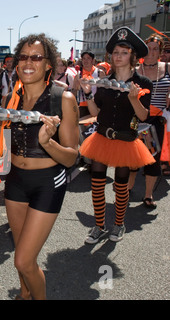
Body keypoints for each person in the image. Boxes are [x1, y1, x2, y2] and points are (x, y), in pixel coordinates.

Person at [0, 34, 80, 300]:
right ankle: (24, 294)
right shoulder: (9, 101)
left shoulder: (63, 99)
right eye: (24, 57)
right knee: (20, 250)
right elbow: (1, 150)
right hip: (16, 181)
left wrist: (47, 143)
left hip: (48, 182)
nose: (29, 62)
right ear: (17, 63)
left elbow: (72, 158)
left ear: (49, 64)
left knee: (23, 262)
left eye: (37, 57)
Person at [79, 27, 156, 244]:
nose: (118, 56)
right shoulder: (104, 81)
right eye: (115, 52)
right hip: (102, 137)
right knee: (96, 183)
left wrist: (133, 98)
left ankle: (119, 224)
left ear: (132, 56)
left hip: (125, 139)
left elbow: (143, 116)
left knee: (121, 185)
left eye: (123, 52)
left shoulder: (143, 83)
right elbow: (95, 113)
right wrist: (87, 93)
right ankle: (99, 225)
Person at [128, 33, 170, 208]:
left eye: (155, 49)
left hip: (157, 121)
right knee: (132, 158)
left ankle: (148, 195)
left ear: (160, 51)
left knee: (153, 159)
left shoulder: (168, 68)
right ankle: (127, 188)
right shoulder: (136, 71)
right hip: (136, 120)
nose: (151, 52)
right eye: (149, 49)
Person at [72, 51, 106, 118]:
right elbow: (74, 93)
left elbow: (104, 91)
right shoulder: (78, 75)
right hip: (82, 107)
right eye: (84, 58)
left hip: (96, 106)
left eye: (88, 58)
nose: (85, 60)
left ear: (93, 60)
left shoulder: (100, 73)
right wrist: (76, 88)